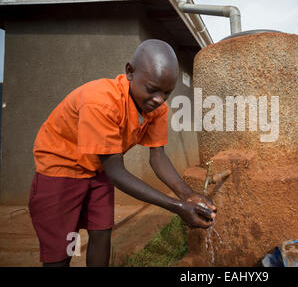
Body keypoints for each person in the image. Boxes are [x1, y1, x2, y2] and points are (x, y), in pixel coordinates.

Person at [29, 39, 216, 267]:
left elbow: (157, 157)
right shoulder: (101, 102)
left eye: (166, 93)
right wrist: (177, 207)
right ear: (130, 72)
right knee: (65, 246)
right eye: (152, 89)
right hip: (61, 171)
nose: (159, 99)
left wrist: (187, 194)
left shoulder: (156, 109)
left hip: (97, 169)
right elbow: (116, 172)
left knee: (101, 231)